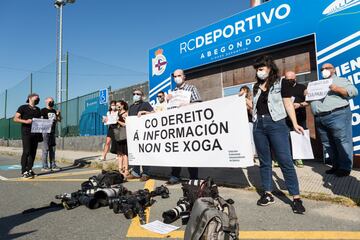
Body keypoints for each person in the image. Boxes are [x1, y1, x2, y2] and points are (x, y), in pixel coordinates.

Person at [251, 55, 305, 214]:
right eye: (257, 70)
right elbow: (254, 107)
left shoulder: (282, 83)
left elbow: (288, 103)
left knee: (285, 160)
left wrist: (294, 123)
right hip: (258, 126)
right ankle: (267, 193)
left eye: (261, 69)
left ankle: (296, 197)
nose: (259, 72)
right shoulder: (255, 87)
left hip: (277, 124)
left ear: (269, 68)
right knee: (264, 162)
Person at [309, 63, 358, 177]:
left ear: (334, 70)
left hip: (337, 115)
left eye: (327, 68)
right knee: (328, 143)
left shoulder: (341, 80)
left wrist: (336, 89)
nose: (324, 70)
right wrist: (307, 94)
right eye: (322, 69)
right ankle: (335, 165)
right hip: (320, 118)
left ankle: (345, 167)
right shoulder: (317, 84)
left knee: (342, 141)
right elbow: (310, 100)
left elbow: (353, 92)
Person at [166, 69, 201, 185]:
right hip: (176, 126)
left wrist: (187, 104)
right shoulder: (172, 92)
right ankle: (175, 175)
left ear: (184, 76)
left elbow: (199, 103)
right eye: (175, 76)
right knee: (175, 151)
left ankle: (194, 177)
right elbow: (168, 110)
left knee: (190, 150)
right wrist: (167, 101)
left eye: (179, 75)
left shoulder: (191, 89)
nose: (177, 78)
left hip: (188, 126)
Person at [126, 89, 154, 181]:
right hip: (134, 134)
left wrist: (144, 112)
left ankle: (146, 173)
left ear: (142, 96)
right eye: (134, 94)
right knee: (135, 153)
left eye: (138, 94)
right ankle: (136, 172)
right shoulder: (131, 107)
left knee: (144, 152)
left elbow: (154, 113)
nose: (135, 95)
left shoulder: (145, 104)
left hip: (144, 133)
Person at [13, 93, 42, 178]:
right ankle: (23, 171)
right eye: (36, 98)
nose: (38, 99)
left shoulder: (38, 109)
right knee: (27, 151)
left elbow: (39, 121)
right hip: (26, 132)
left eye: (38, 98)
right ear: (30, 98)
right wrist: (26, 121)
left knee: (33, 152)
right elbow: (15, 118)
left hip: (36, 133)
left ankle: (30, 169)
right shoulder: (23, 107)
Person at [283, 71, 308, 168]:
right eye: (286, 79)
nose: (288, 81)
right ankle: (286, 159)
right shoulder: (283, 89)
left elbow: (309, 101)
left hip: (300, 117)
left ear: (295, 78)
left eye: (290, 79)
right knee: (285, 139)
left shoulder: (302, 87)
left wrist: (300, 104)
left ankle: (299, 158)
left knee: (298, 137)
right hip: (286, 118)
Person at [40, 97, 61, 171]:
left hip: (52, 131)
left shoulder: (54, 111)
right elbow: (41, 120)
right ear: (46, 102)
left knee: (52, 149)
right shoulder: (43, 110)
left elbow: (59, 120)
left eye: (52, 101)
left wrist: (58, 115)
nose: (51, 102)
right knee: (45, 149)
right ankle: (44, 166)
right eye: (50, 101)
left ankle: (53, 165)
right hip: (45, 131)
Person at [110, 100, 130, 178]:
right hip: (117, 134)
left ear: (122, 105)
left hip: (124, 134)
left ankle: (126, 170)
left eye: (118, 105)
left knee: (124, 153)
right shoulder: (116, 113)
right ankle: (120, 169)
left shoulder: (126, 113)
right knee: (119, 153)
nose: (117, 106)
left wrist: (117, 120)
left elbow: (126, 124)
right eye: (116, 105)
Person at [239, 85, 256, 156]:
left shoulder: (250, 99)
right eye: (241, 91)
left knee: (250, 139)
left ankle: (252, 154)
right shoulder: (238, 100)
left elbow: (252, 107)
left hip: (249, 121)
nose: (243, 92)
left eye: (244, 91)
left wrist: (245, 98)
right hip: (241, 123)